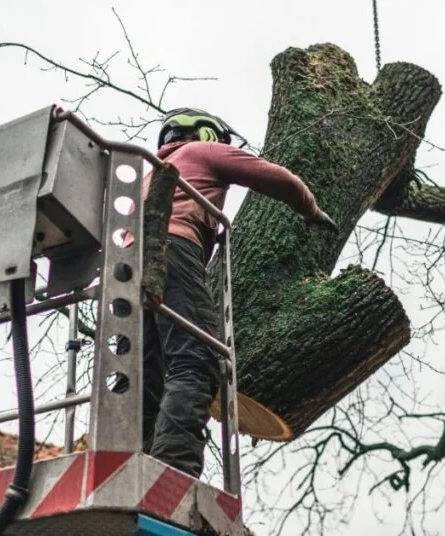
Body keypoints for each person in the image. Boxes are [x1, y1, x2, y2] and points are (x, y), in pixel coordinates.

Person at [140, 107, 337, 477]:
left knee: (145, 371)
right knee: (195, 359)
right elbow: (276, 178)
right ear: (208, 135)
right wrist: (310, 210)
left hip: (129, 267)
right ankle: (172, 470)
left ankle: (130, 457)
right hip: (172, 251)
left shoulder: (147, 176)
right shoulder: (202, 152)